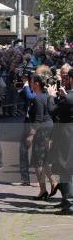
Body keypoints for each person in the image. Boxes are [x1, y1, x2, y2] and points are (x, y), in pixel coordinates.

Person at [26, 74, 56, 200]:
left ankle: (44, 189)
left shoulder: (38, 98)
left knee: (38, 161)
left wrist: (31, 135)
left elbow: (38, 118)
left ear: (37, 84)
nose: (30, 85)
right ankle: (53, 183)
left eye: (31, 82)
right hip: (47, 129)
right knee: (43, 160)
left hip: (42, 130)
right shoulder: (46, 97)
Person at [47, 70, 73, 215]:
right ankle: (65, 201)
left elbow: (52, 110)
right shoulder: (68, 97)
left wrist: (51, 96)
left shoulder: (69, 98)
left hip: (67, 135)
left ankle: (69, 204)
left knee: (65, 168)